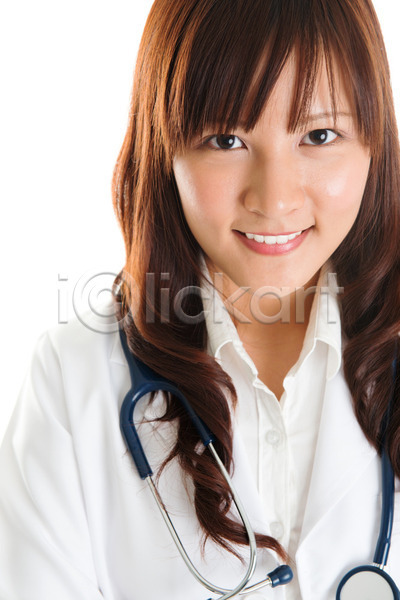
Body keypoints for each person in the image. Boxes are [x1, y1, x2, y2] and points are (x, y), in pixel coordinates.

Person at [1, 0, 400, 598]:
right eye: (226, 139)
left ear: (376, 143)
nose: (275, 199)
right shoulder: (74, 379)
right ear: (164, 149)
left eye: (319, 135)